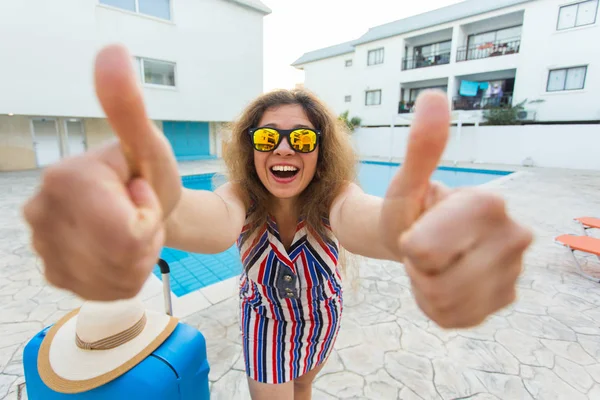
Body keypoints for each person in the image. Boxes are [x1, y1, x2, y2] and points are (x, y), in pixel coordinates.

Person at [22, 44, 533, 399]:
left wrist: (403, 235)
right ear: (251, 149)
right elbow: (212, 221)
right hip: (265, 321)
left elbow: (364, 222)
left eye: (301, 139)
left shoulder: (335, 194)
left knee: (304, 387)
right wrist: (162, 210)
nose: (284, 148)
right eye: (268, 138)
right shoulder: (241, 196)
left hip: (321, 316)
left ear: (319, 151)